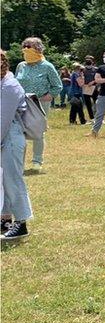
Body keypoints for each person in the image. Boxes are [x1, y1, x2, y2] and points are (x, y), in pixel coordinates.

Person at [14, 37, 62, 170]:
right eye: (25, 47)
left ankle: (37, 161)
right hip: (22, 102)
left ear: (38, 49)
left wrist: (50, 95)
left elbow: (57, 86)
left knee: (37, 132)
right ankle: (19, 162)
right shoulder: (21, 65)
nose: (26, 50)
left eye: (29, 47)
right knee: (19, 131)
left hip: (40, 102)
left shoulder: (47, 66)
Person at [1, 50, 33, 240]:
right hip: (3, 136)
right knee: (2, 182)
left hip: (10, 136)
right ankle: (5, 219)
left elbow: (3, 119)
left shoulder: (9, 86)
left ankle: (21, 223)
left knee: (13, 180)